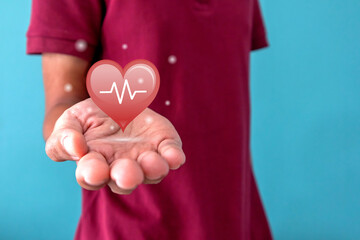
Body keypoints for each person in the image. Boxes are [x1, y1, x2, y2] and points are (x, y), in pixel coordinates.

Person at [27, 0, 272, 239]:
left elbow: (223, 96)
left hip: (239, 221)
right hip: (131, 225)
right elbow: (63, 101)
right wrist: (81, 128)